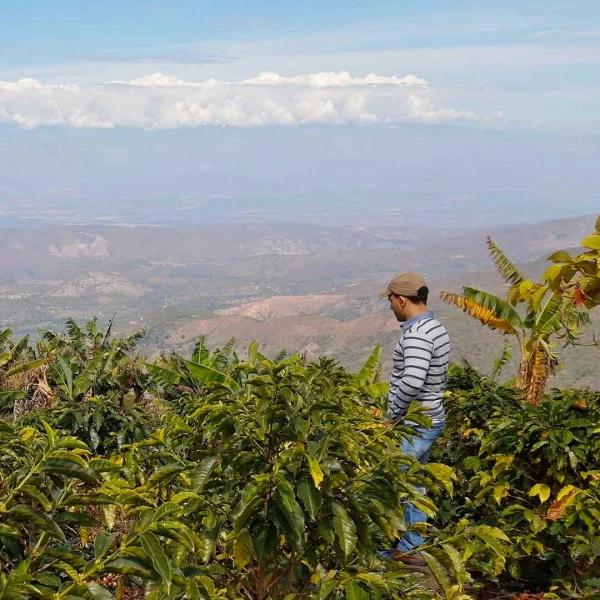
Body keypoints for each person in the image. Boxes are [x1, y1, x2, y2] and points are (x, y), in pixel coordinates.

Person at [377, 272, 451, 566]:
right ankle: (410, 544)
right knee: (413, 482)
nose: (390, 306)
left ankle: (405, 549)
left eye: (391, 300)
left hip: (416, 424)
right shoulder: (434, 327)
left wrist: (392, 416)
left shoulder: (419, 335)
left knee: (394, 484)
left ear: (402, 299)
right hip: (430, 419)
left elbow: (411, 382)